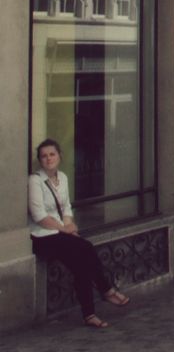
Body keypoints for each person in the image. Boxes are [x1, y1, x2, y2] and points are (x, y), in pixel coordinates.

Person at [28, 139, 130, 328]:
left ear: (59, 156)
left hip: (60, 233)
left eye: (52, 154)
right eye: (44, 156)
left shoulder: (64, 178)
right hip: (42, 236)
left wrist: (69, 227)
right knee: (86, 247)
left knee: (81, 264)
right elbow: (39, 216)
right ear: (39, 160)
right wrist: (65, 229)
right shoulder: (35, 180)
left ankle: (89, 315)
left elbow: (66, 208)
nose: (48, 158)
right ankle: (106, 290)